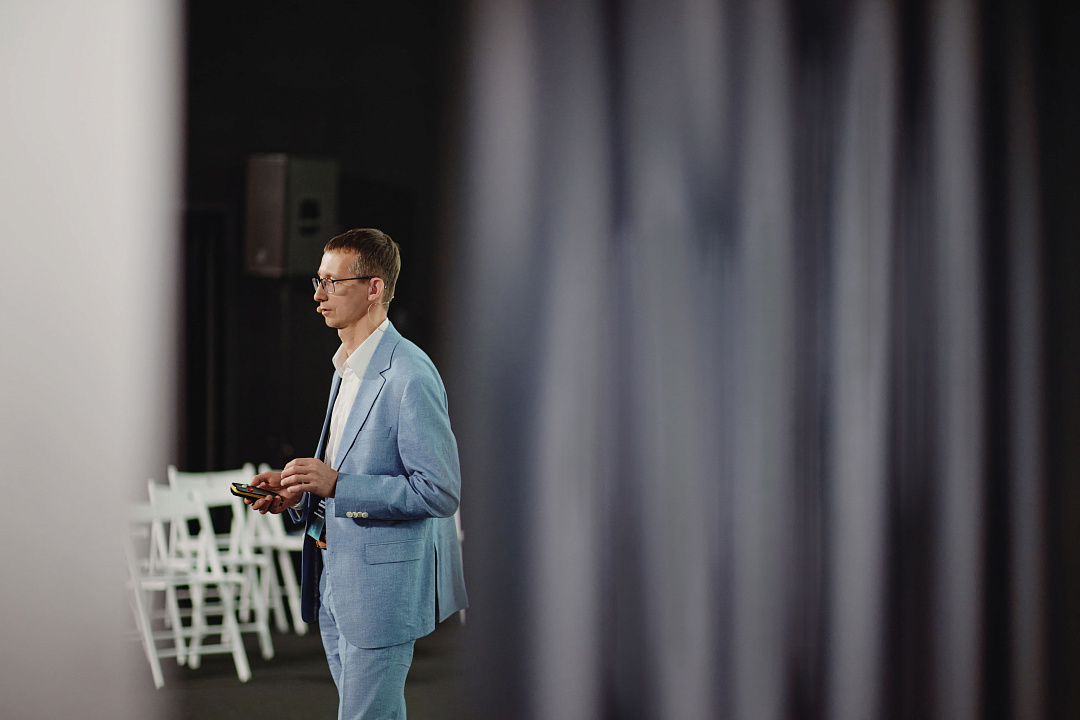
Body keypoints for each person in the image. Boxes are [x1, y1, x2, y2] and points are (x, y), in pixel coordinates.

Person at [248, 227, 467, 719]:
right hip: (335, 578)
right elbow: (346, 469)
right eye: (318, 281)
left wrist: (337, 485)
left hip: (380, 592)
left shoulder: (410, 373)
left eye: (333, 283)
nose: (319, 295)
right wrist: (298, 491)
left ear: (374, 288)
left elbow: (439, 491)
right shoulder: (345, 367)